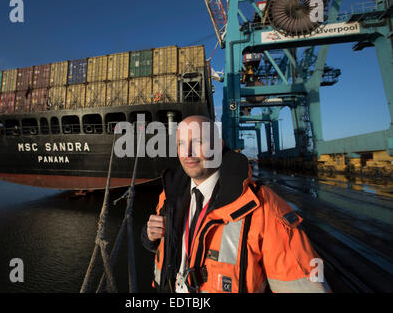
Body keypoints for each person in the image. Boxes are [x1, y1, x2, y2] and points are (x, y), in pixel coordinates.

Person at [141, 115, 331, 293]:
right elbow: (165, 245)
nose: (188, 152)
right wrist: (149, 236)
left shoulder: (263, 206)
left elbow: (302, 283)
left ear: (219, 145)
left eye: (198, 142)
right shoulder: (168, 195)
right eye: (181, 144)